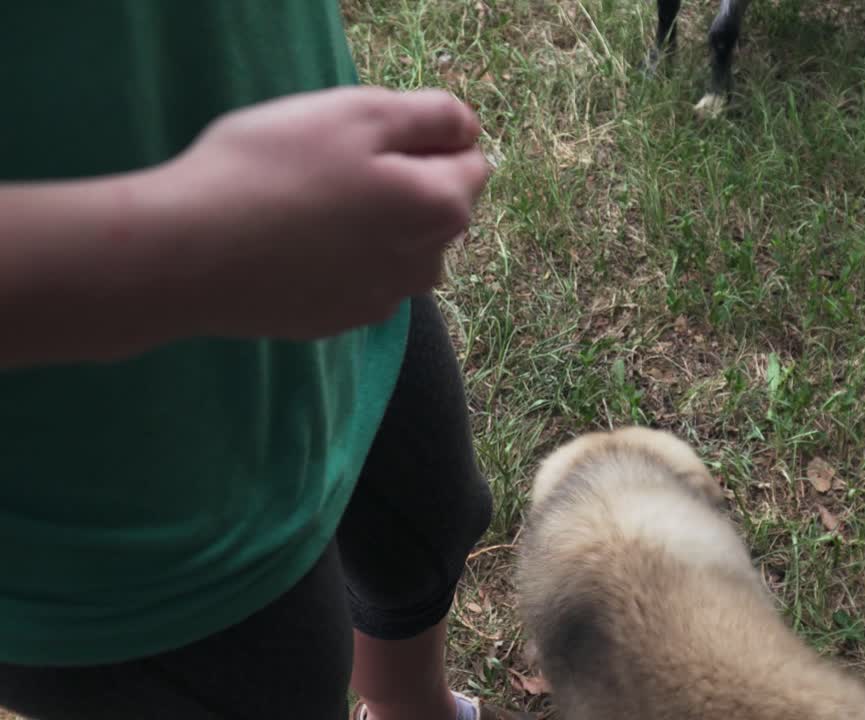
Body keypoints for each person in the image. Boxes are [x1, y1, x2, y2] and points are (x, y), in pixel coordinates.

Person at [0, 3, 533, 719]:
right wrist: (186, 247)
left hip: (317, 237)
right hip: (92, 493)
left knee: (429, 523)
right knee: (277, 685)